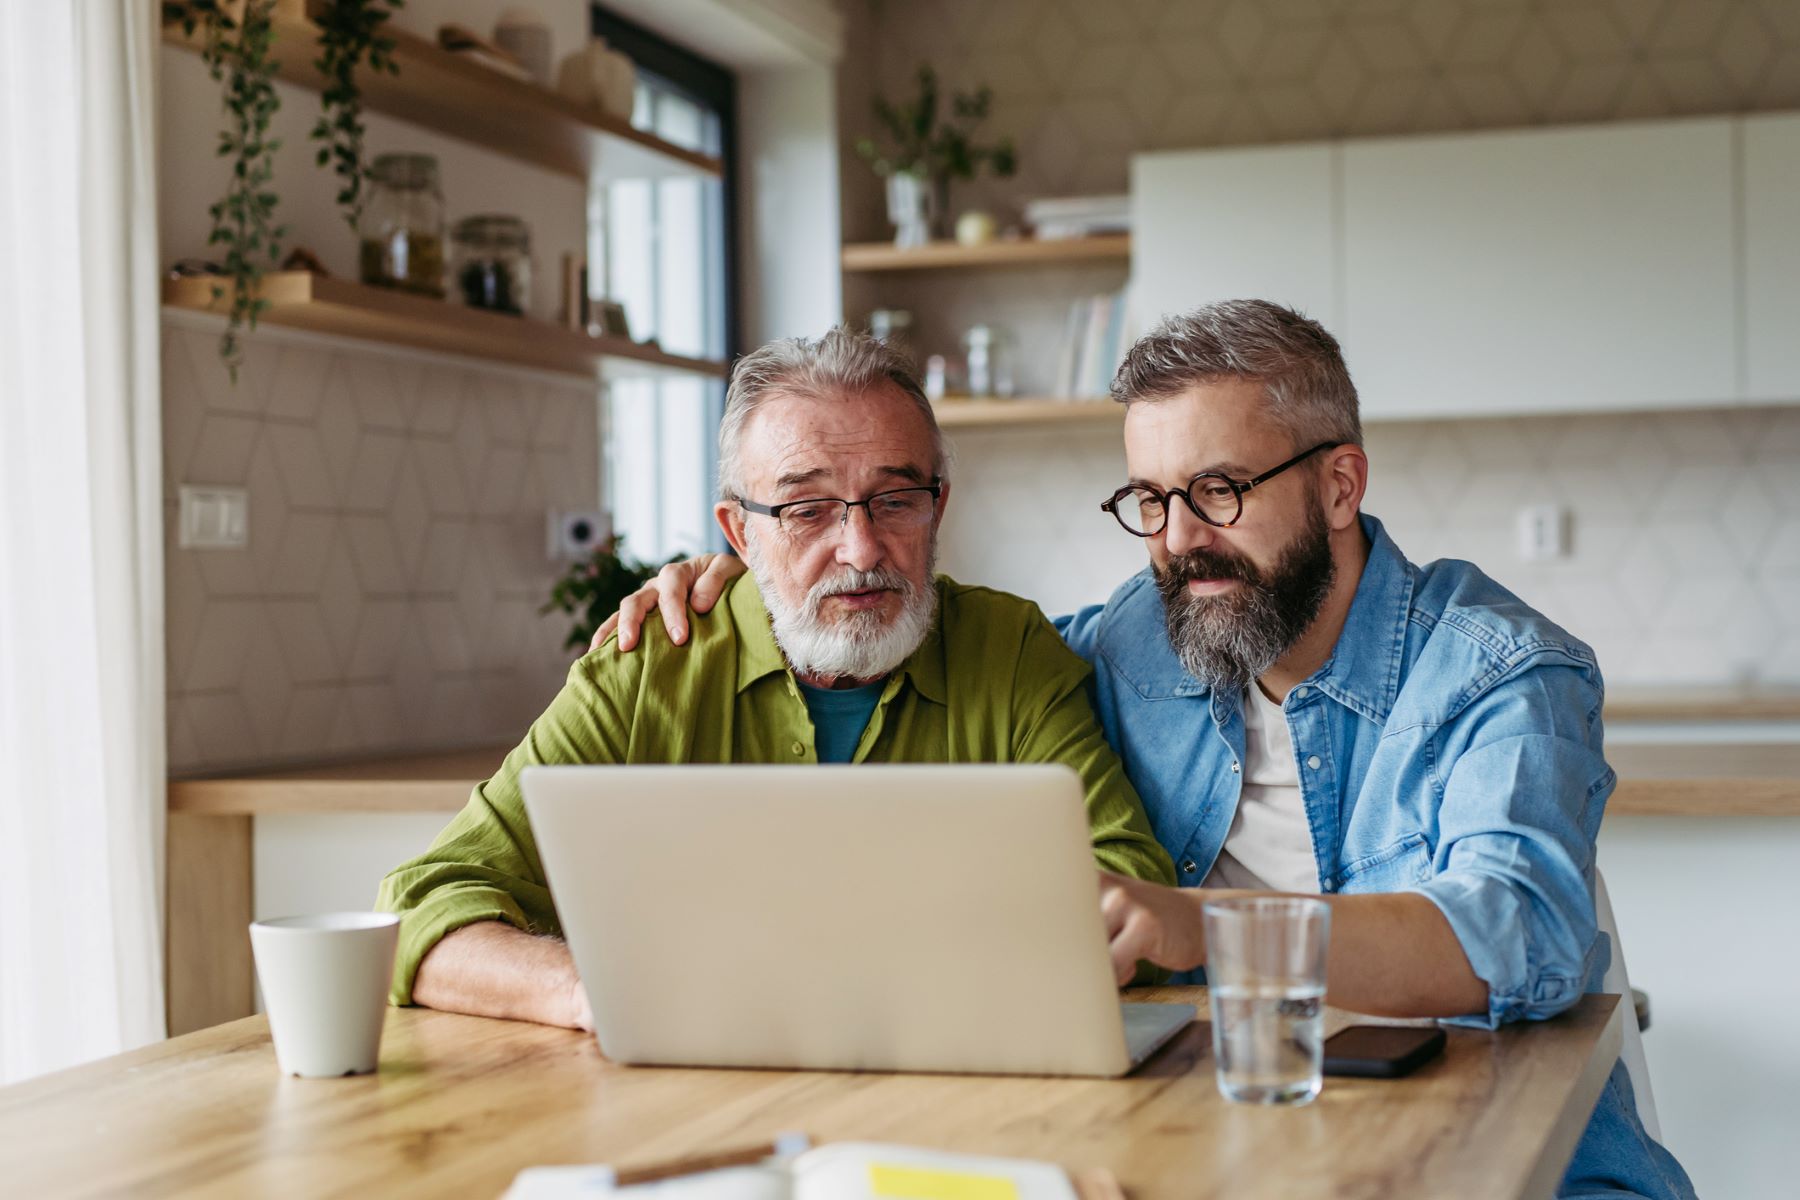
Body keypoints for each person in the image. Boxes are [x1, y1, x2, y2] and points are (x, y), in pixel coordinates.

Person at [598, 301, 1694, 1199]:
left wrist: (1200, 927)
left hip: (1512, 1166)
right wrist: (765, 569)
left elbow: (1518, 934)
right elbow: (940, 647)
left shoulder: (1501, 670)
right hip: (1222, 1156)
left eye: (1219, 491)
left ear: (1341, 485)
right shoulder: (1135, 638)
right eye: (1152, 500)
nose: (1179, 541)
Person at [376, 328, 1173, 1032]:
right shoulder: (653, 662)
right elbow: (421, 903)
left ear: (939, 507)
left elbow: (1132, 888)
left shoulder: (1010, 650)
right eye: (806, 510)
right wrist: (594, 993)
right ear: (739, 532)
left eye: (895, 500)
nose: (860, 549)